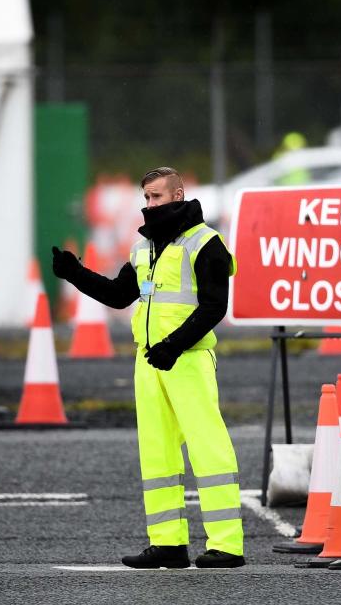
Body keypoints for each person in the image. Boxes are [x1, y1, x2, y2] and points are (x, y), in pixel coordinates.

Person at [51, 167, 245, 569]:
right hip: (150, 361)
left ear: (178, 194)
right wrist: (75, 273)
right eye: (146, 199)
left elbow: (214, 306)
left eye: (157, 197)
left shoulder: (206, 243)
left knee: (209, 449)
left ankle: (227, 545)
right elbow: (120, 296)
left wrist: (174, 346)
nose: (150, 205)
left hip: (188, 361)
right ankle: (168, 544)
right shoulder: (144, 249)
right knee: (156, 455)